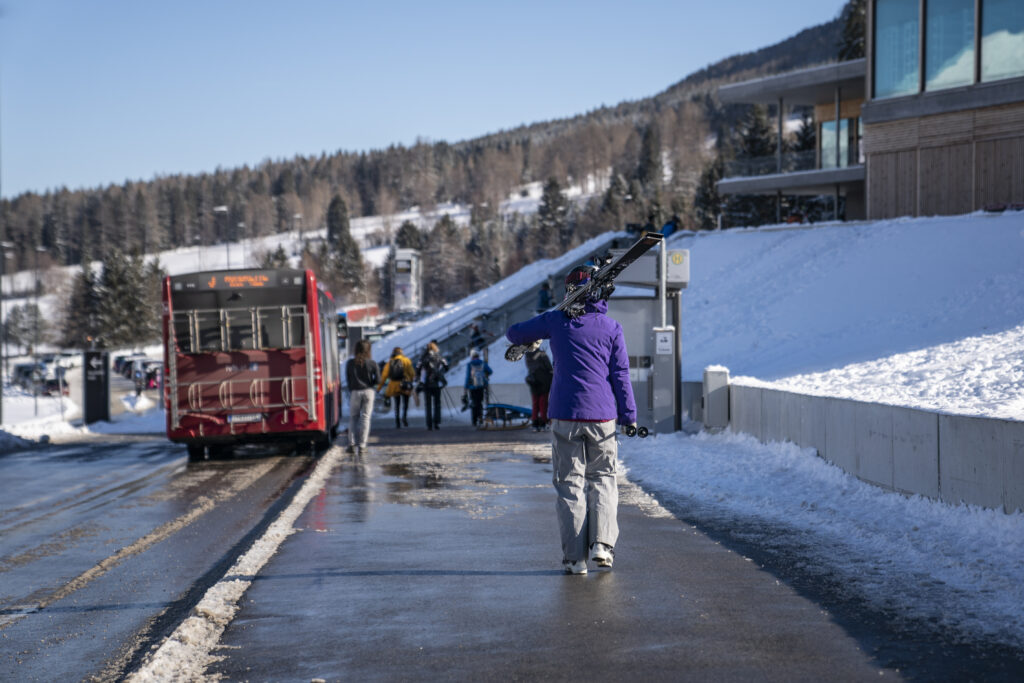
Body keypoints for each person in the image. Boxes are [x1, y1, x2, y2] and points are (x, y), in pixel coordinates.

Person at [505, 264, 637, 576]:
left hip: (565, 413)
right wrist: (629, 415)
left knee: (569, 484)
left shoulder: (556, 320)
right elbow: (620, 375)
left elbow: (514, 332)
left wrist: (541, 330)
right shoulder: (611, 327)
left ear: (569, 291)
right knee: (603, 478)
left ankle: (575, 558)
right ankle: (603, 545)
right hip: (602, 414)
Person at [344, 339, 379, 456]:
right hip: (368, 391)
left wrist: (352, 388)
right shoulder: (372, 363)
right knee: (365, 418)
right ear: (368, 349)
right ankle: (363, 446)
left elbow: (348, 379)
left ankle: (352, 445)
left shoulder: (350, 363)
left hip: (355, 392)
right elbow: (378, 380)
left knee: (353, 418)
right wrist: (371, 383)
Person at [378, 346, 415, 428]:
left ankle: (397, 421)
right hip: (405, 384)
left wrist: (379, 388)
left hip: (394, 386)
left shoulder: (390, 362)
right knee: (405, 403)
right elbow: (412, 373)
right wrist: (411, 380)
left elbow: (384, 376)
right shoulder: (406, 360)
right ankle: (404, 417)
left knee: (397, 404)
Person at [416, 341, 448, 430]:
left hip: (426, 384)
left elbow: (418, 369)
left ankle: (429, 424)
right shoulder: (439, 356)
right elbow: (446, 366)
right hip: (437, 384)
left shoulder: (423, 358)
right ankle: (436, 423)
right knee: (437, 404)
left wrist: (419, 380)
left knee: (428, 405)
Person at [524, 342, 553, 431]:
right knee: (543, 403)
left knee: (535, 403)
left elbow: (530, 367)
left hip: (533, 381)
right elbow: (548, 366)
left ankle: (535, 423)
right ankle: (543, 423)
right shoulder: (541, 353)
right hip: (544, 381)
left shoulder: (527, 355)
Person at [463, 348, 493, 427]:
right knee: (480, 403)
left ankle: (474, 420)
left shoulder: (470, 364)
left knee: (474, 403)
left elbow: (468, 377)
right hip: (481, 386)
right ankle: (480, 419)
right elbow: (490, 371)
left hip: (472, 387)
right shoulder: (482, 363)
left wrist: (466, 387)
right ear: (478, 356)